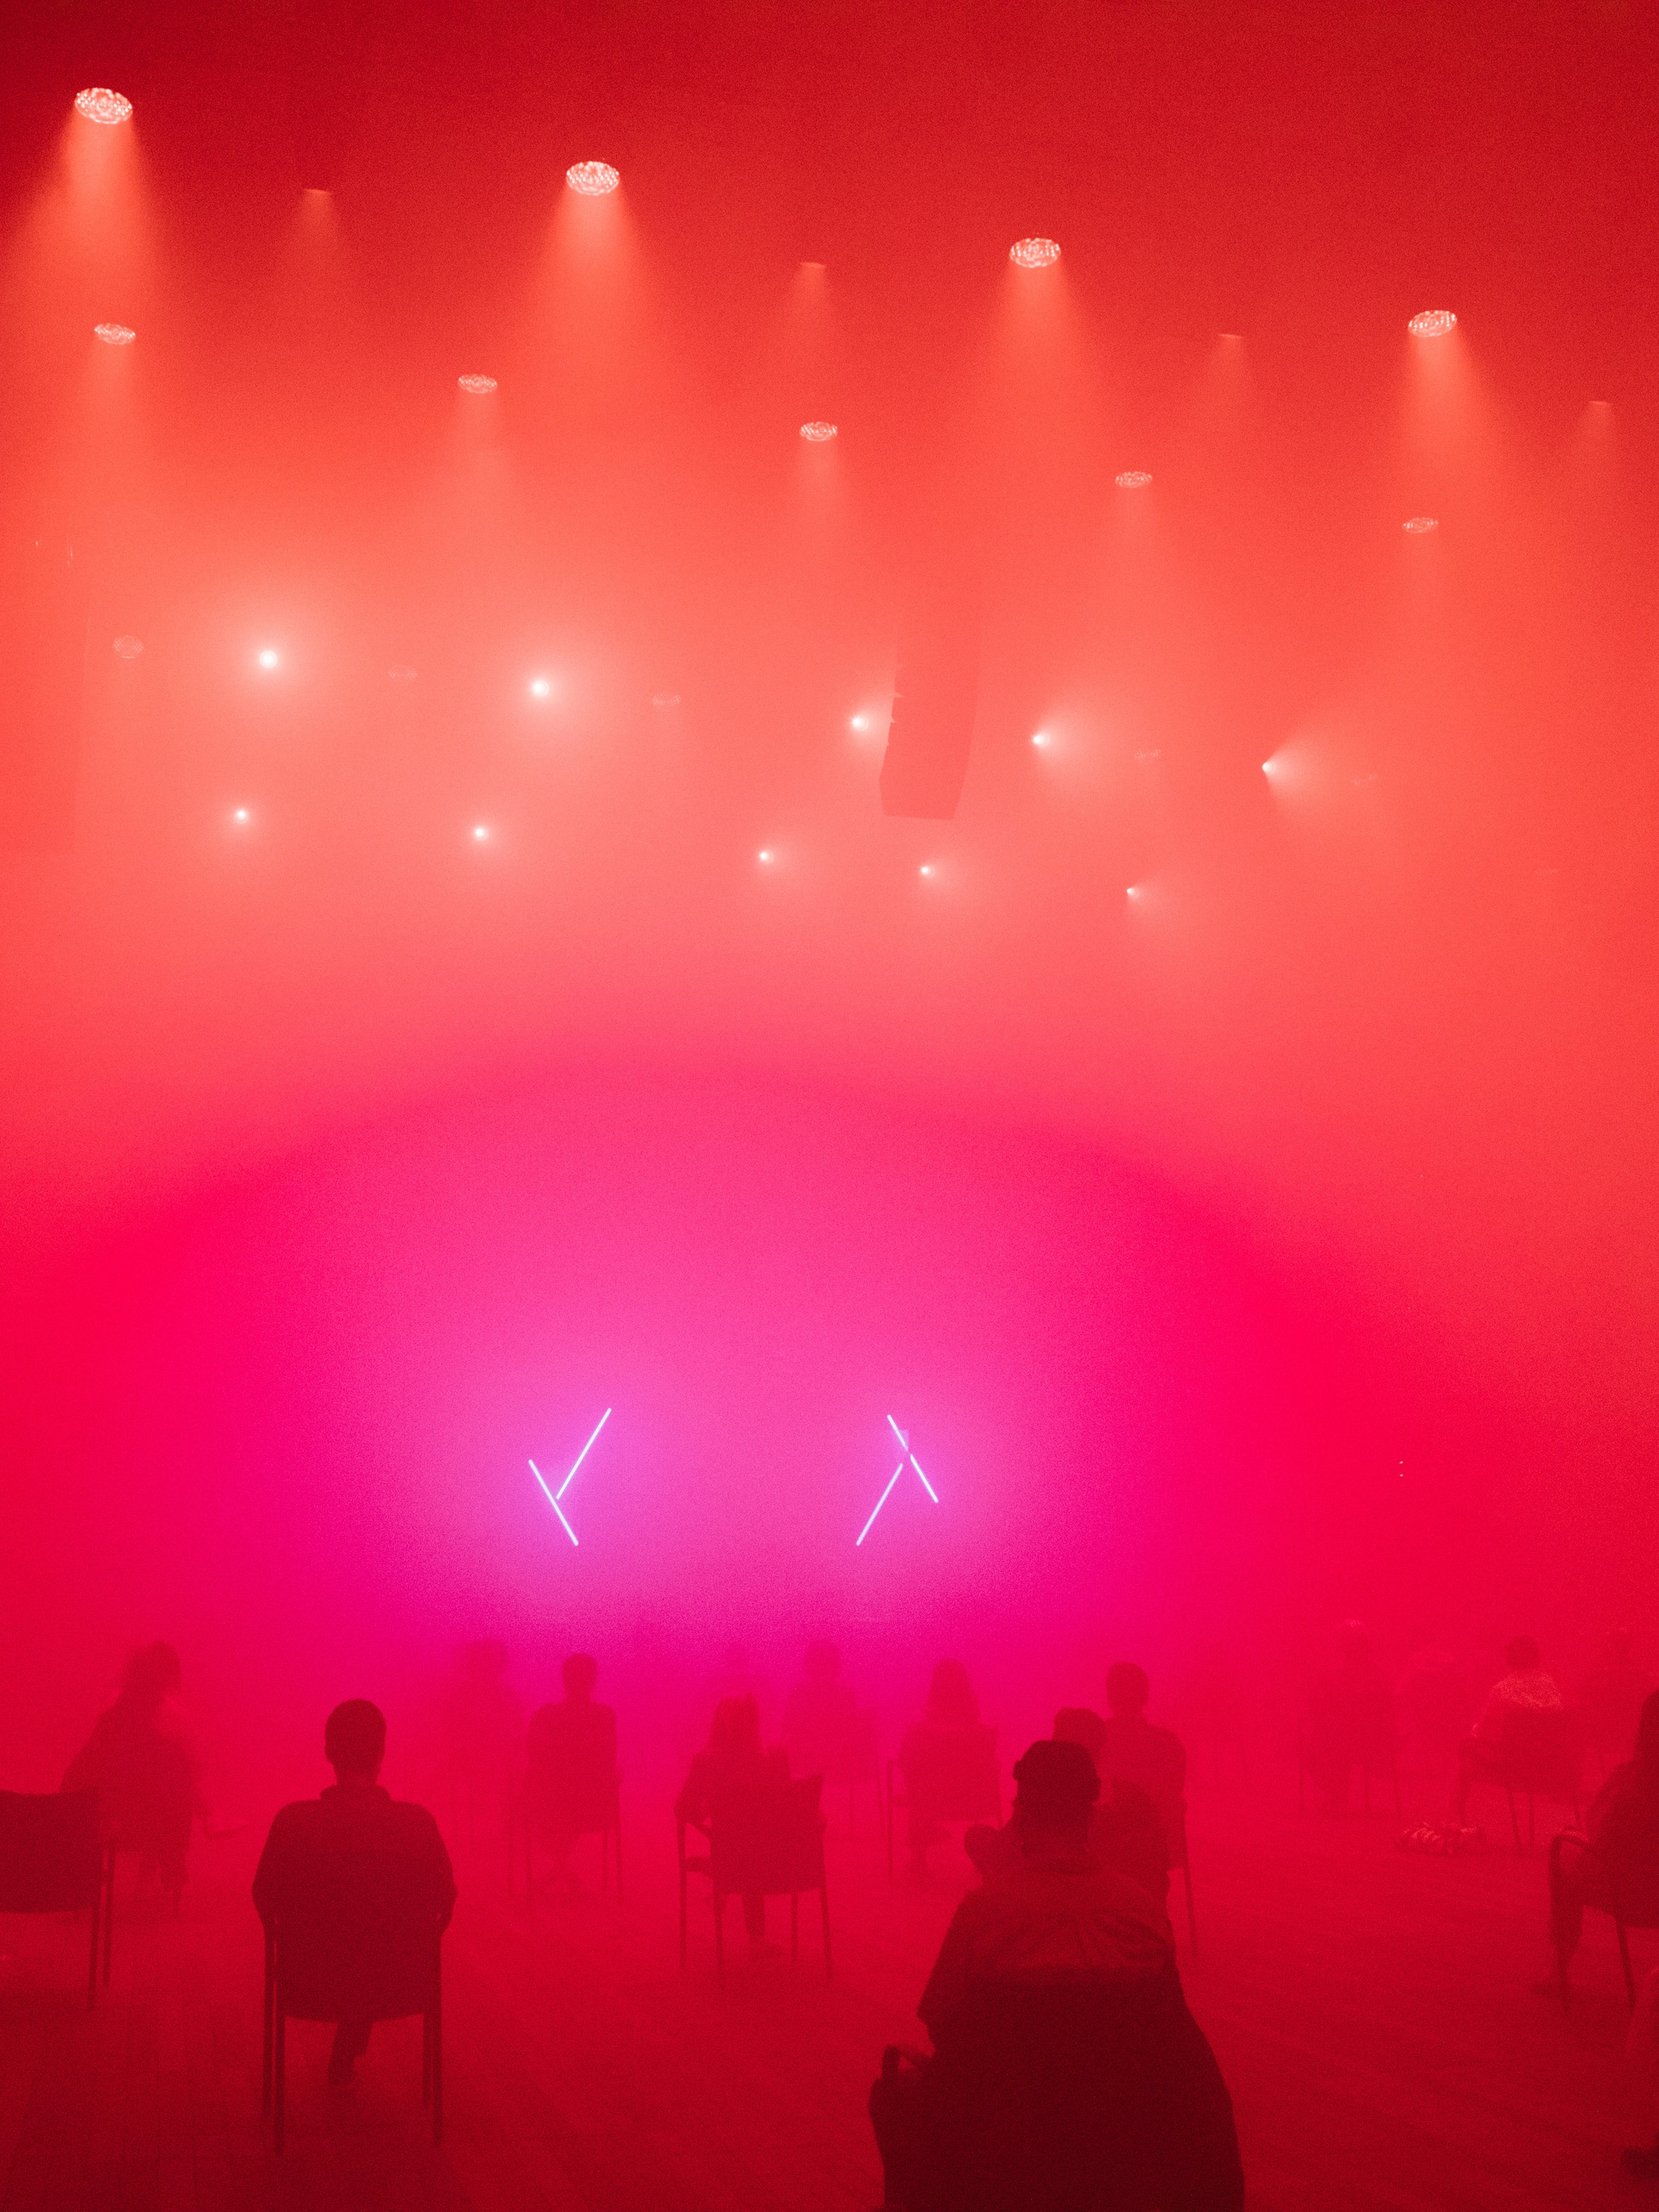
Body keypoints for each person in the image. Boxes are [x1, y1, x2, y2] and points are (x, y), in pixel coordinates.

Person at [869, 1738, 1243, 2211]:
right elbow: (1169, 2031)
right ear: (1092, 1818)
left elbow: (940, 2020)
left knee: (892, 2095)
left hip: (1009, 2135)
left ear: (1021, 1818)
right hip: (1124, 2126)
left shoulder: (985, 1913)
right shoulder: (1142, 1913)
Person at [252, 1699, 456, 2088]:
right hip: (398, 1980)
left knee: (352, 1945)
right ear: (382, 1753)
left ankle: (344, 2051)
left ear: (329, 1752)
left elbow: (264, 1896)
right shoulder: (417, 1826)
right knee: (368, 1945)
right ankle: (347, 2050)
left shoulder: (293, 1824)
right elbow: (445, 1898)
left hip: (310, 1980)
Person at [966, 1708, 1166, 1906]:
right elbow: (1156, 1879)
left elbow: (1006, 1849)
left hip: (1043, 1909)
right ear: (1100, 1746)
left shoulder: (1043, 1799)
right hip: (1117, 1911)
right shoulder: (1132, 1799)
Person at [62, 1641, 203, 1906]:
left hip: (105, 1816)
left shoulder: (110, 1708)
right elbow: (196, 1767)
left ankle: (84, 1879)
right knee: (172, 1790)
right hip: (152, 1821)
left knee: (156, 1789)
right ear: (170, 1676)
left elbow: (78, 1774)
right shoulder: (175, 1715)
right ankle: (166, 1868)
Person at [1543, 1689, 1659, 2006]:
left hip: (1630, 1893)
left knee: (1564, 1845)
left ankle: (1559, 1970)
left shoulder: (1631, 1781)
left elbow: (1599, 1838)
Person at [675, 1693, 788, 1958]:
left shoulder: (706, 1763)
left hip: (729, 1856)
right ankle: (757, 1938)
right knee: (752, 1843)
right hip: (777, 1860)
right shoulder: (772, 1760)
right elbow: (784, 1810)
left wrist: (708, 1826)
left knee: (739, 1845)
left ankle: (723, 1888)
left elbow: (682, 1810)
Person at [522, 1654, 618, 1890]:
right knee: (559, 1804)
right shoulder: (604, 1717)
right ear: (593, 1681)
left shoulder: (546, 1716)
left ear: (564, 1680)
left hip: (551, 1805)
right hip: (596, 1807)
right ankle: (562, 1870)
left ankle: (559, 1869)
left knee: (525, 1802)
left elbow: (534, 1759)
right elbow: (610, 1760)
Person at [898, 1660, 999, 1883]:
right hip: (975, 1800)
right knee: (919, 1777)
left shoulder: (921, 1730)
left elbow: (904, 1760)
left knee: (916, 1777)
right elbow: (990, 1765)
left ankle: (919, 1857)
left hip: (930, 1801)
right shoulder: (981, 1729)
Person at [1455, 1635, 1565, 1821]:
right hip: (1549, 1767)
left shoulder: (1501, 1691)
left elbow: (1486, 1736)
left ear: (1508, 1660)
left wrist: (1473, 1731)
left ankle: (1456, 1818)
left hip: (1512, 1768)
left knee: (1466, 1748)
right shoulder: (1551, 1686)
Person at [1098, 1663, 1188, 1878]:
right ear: (1145, 1696)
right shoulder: (1168, 1743)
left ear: (1110, 1696)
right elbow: (1173, 1798)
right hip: (1157, 1850)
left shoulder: (1098, 1741)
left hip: (1110, 1851)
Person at [1301, 1620, 1394, 1812]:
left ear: (1342, 1645)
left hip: (1339, 1742)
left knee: (1305, 1743)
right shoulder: (1380, 1673)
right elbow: (1391, 1706)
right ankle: (1337, 1792)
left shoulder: (1331, 1674)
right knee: (1335, 1738)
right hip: (1376, 1744)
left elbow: (1314, 1709)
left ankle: (1336, 1792)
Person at [440, 1639, 523, 1848]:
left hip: (486, 1762)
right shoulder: (501, 1696)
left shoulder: (466, 1695)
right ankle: (501, 1831)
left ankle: (497, 1831)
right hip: (480, 1763)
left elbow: (517, 1733)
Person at [783, 1641, 859, 1782]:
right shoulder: (845, 1695)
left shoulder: (798, 1694)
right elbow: (854, 1730)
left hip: (806, 1761)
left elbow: (787, 1725)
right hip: (837, 1761)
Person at [1579, 1633, 1651, 1773]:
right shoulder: (1640, 1674)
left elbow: (1583, 1699)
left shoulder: (1598, 1673)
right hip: (1630, 1732)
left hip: (1605, 1733)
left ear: (1610, 1646)